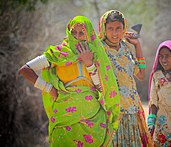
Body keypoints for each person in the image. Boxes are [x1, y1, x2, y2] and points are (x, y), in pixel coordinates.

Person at [19, 16, 121, 147]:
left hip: (92, 118)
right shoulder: (59, 54)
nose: (77, 36)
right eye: (74, 32)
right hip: (64, 116)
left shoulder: (95, 52)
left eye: (81, 33)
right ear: (68, 32)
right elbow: (25, 70)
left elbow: (102, 87)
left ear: (88, 33)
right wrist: (49, 88)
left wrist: (89, 63)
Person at [99, 10, 153, 147]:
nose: (115, 33)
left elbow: (141, 75)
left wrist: (137, 45)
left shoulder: (126, 48)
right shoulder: (99, 50)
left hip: (131, 109)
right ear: (104, 29)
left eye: (118, 28)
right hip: (111, 111)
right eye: (110, 29)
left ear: (124, 29)